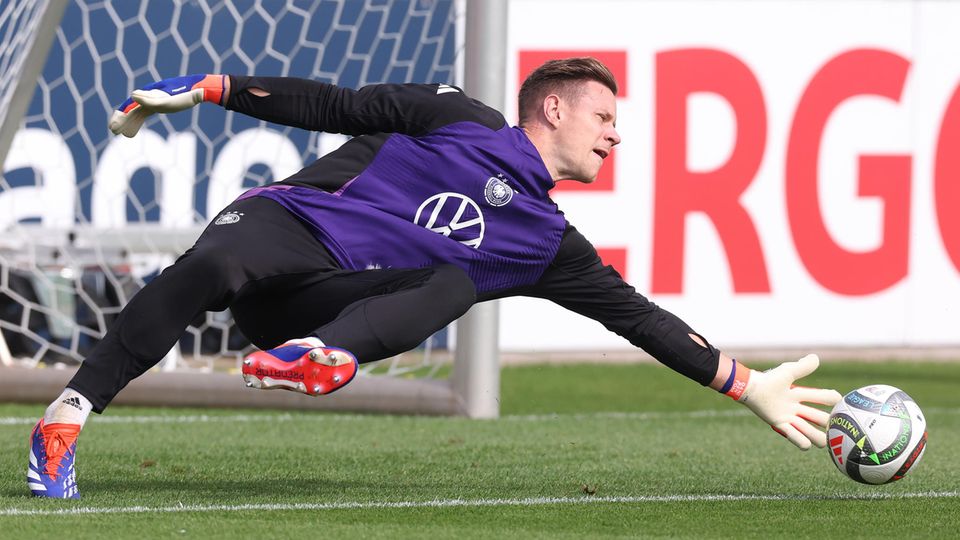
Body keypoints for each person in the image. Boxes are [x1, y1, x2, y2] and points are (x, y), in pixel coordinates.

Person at [27, 58, 841, 499]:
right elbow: (333, 104)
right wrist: (214, 89)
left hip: (319, 312)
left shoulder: (550, 245)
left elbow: (638, 318)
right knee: (213, 262)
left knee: (453, 284)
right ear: (553, 109)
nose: (615, 137)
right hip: (286, 226)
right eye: (605, 118)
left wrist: (746, 386)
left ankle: (321, 357)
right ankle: (64, 420)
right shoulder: (458, 116)